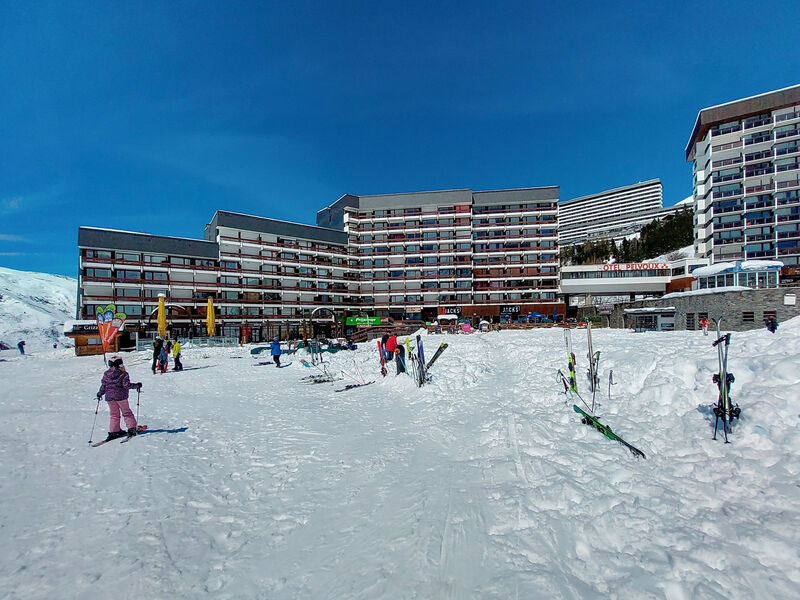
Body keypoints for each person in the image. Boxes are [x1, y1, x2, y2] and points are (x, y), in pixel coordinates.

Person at [96, 355, 141, 441]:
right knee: (127, 412)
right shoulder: (123, 374)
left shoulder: (106, 374)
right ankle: (132, 429)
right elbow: (126, 385)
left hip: (110, 398)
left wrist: (100, 393)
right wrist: (137, 385)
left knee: (114, 415)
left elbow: (104, 385)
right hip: (121, 397)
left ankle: (114, 431)